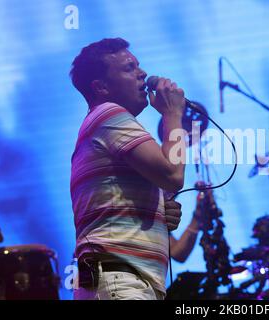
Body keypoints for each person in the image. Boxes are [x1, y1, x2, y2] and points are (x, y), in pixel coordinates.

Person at [70, 38, 190, 300]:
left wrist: (159, 209)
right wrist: (173, 115)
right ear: (101, 87)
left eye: (139, 65)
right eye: (129, 68)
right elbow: (173, 174)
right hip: (121, 281)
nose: (143, 73)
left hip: (126, 281)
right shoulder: (108, 114)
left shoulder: (106, 125)